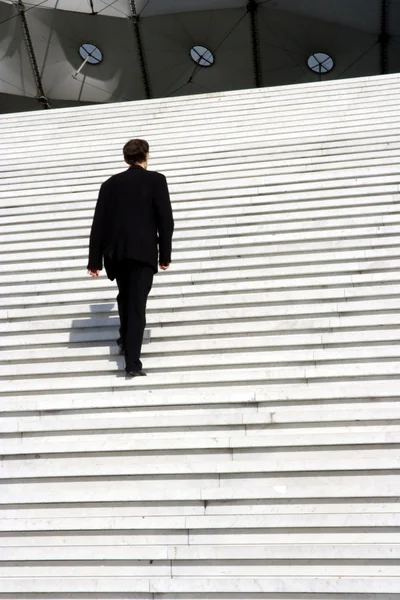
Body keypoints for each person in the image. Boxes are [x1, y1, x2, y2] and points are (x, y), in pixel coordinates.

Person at [87, 139, 174, 377]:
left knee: (126, 297)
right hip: (143, 252)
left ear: (126, 158)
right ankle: (132, 364)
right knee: (136, 304)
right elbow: (165, 221)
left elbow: (99, 224)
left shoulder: (109, 184)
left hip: (116, 254)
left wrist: (94, 261)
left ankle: (125, 337)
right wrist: (165, 255)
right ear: (146, 155)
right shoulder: (157, 180)